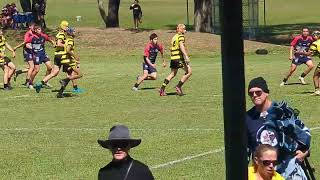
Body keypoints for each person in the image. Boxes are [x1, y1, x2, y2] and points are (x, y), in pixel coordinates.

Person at [246, 77, 311, 180]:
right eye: (251, 93)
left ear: (266, 93)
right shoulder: (247, 118)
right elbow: (245, 148)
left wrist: (305, 152)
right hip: (263, 172)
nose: (254, 95)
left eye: (258, 92)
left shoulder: (282, 112)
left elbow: (304, 134)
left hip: (288, 170)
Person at [34, 20, 68, 91]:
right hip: (62, 56)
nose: (67, 28)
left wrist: (53, 43)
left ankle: (40, 83)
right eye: (66, 26)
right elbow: (59, 44)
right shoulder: (61, 34)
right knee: (71, 71)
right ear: (63, 27)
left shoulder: (61, 34)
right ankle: (75, 87)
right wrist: (66, 45)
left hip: (57, 55)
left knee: (54, 73)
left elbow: (55, 43)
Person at [159, 24, 192, 96]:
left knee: (172, 74)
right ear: (180, 29)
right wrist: (186, 56)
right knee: (189, 72)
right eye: (183, 28)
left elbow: (172, 48)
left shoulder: (174, 37)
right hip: (178, 58)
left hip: (173, 58)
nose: (185, 30)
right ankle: (178, 86)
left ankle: (162, 89)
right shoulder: (181, 36)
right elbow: (181, 46)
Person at [13, 22, 35, 87]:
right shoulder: (27, 34)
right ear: (30, 27)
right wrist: (33, 48)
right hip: (27, 51)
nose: (34, 28)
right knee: (32, 67)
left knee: (33, 68)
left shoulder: (34, 33)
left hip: (32, 51)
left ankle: (18, 72)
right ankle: (27, 82)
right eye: (33, 26)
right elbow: (25, 43)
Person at [309, 30, 320, 95]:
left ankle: (317, 91)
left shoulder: (315, 43)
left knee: (315, 76)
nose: (313, 37)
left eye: (313, 35)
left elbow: (309, 53)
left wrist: (299, 52)